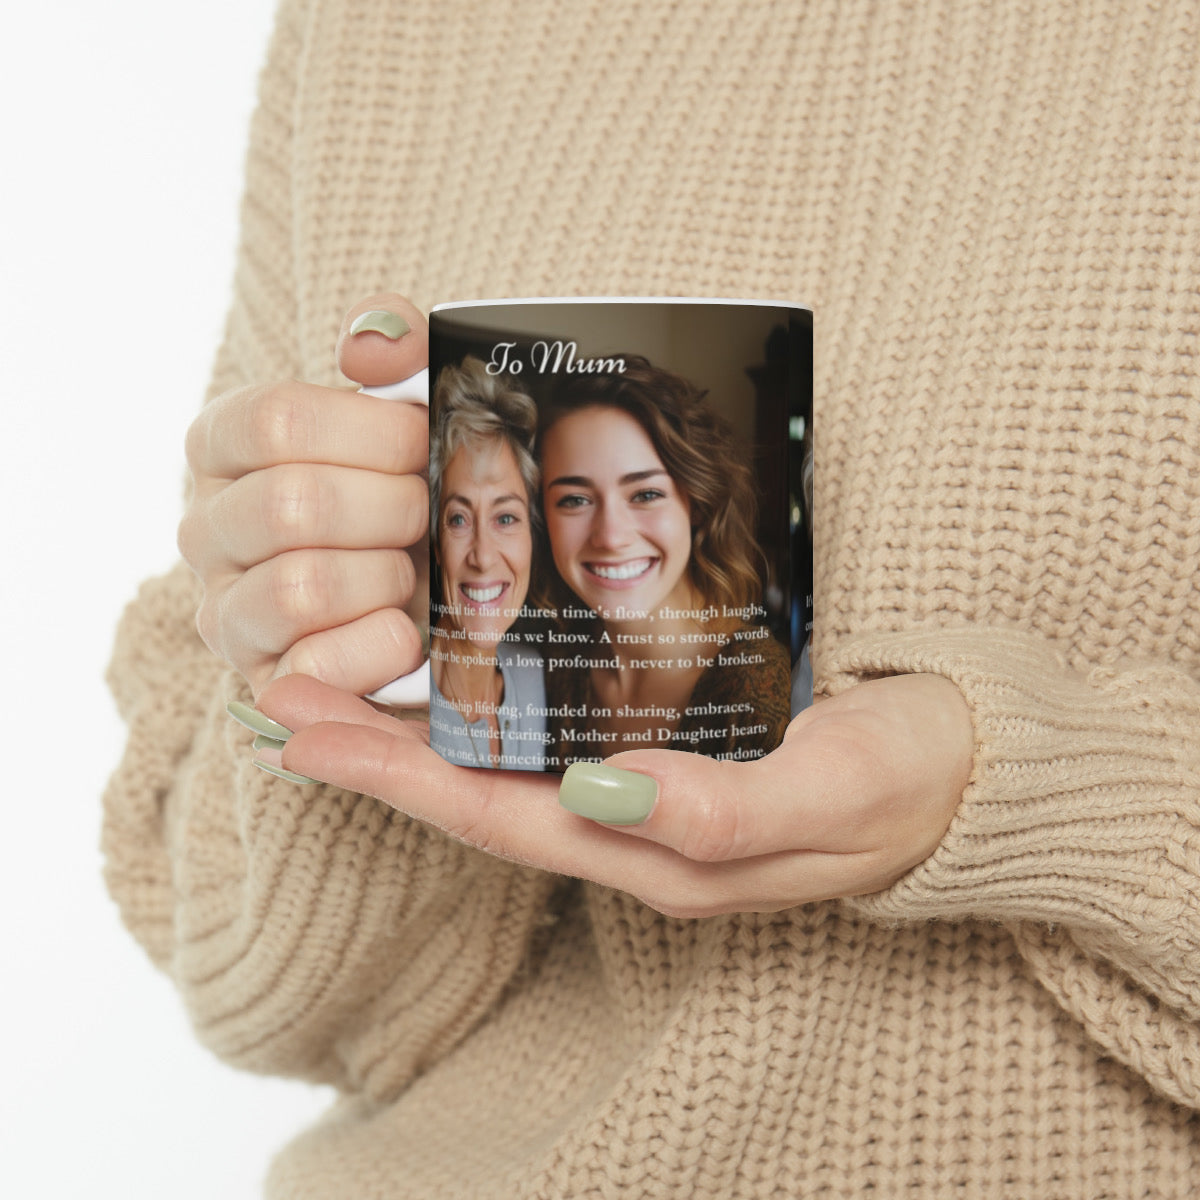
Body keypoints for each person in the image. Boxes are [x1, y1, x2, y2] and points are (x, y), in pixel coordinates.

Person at [104, 1, 1200, 1197]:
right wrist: (345, 684)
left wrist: (1031, 791)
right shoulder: (375, 33)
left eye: (640, 493)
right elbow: (238, 973)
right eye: (564, 499)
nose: (609, 533)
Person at [536, 356, 792, 766]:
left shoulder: (753, 683)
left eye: (645, 494)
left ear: (696, 502)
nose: (611, 536)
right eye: (574, 500)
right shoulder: (550, 665)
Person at [426, 355, 548, 771]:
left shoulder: (532, 675)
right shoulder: (409, 700)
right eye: (458, 519)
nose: (481, 556)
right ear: (437, 543)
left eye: (506, 518)